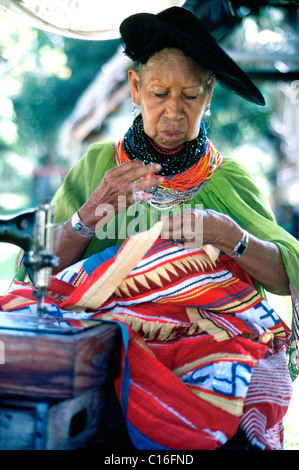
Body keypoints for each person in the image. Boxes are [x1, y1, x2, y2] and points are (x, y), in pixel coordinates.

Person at [10, 7, 299, 450]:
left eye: (188, 96)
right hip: (107, 362)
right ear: (135, 88)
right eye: (160, 92)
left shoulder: (228, 180)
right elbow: (39, 272)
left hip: (201, 367)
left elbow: (286, 272)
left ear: (209, 93)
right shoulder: (99, 167)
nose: (172, 112)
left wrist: (227, 235)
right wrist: (90, 213)